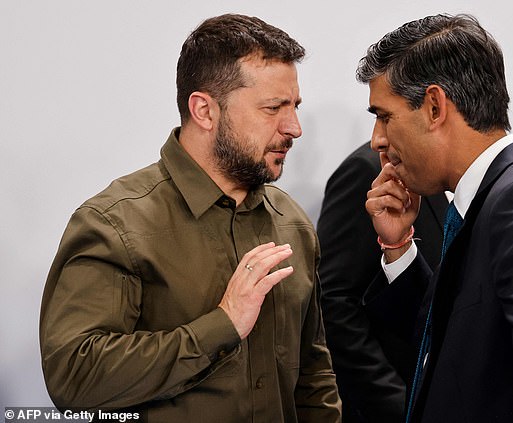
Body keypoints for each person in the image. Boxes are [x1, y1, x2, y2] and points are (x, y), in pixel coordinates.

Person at [39, 14, 341, 422]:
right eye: (273, 108)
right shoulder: (114, 224)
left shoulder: (292, 222)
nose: (295, 127)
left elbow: (314, 376)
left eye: (295, 106)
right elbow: (74, 378)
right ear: (204, 110)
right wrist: (223, 325)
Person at [357, 14, 513, 422]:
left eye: (384, 116)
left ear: (435, 106)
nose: (377, 140)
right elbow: (454, 347)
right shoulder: (489, 196)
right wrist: (399, 247)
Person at [317, 141, 446, 422]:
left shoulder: (463, 181)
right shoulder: (366, 170)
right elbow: (334, 303)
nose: (378, 136)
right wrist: (398, 405)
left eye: (384, 116)